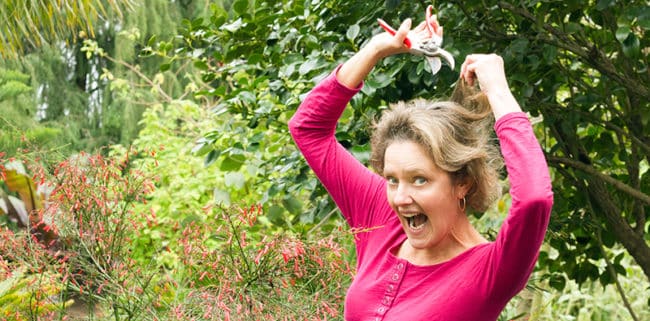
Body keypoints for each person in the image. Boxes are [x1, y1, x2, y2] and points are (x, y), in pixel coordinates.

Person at [288, 15, 553, 321]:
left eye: (419, 180)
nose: (400, 197)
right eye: (391, 180)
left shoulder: (488, 271)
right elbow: (308, 129)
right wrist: (376, 49)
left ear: (462, 182)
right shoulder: (380, 218)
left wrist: (497, 92)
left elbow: (534, 199)